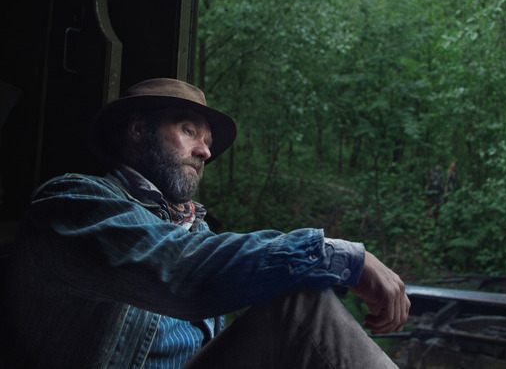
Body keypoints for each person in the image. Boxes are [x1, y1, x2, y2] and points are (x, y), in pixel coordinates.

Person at [3, 78, 410, 368]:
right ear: (138, 129)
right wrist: (339, 257)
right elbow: (177, 267)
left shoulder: (198, 231)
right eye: (188, 130)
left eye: (208, 143)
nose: (204, 152)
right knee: (299, 305)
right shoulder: (71, 202)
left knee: (299, 300)